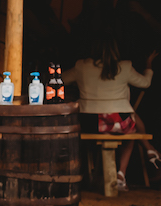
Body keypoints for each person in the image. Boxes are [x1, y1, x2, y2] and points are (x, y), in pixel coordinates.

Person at [62, 32, 157, 190]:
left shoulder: (81, 66)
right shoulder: (125, 67)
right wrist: (148, 65)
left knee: (128, 125)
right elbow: (145, 83)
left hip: (88, 123)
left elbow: (60, 80)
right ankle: (121, 174)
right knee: (130, 131)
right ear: (116, 49)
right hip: (117, 123)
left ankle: (89, 174)